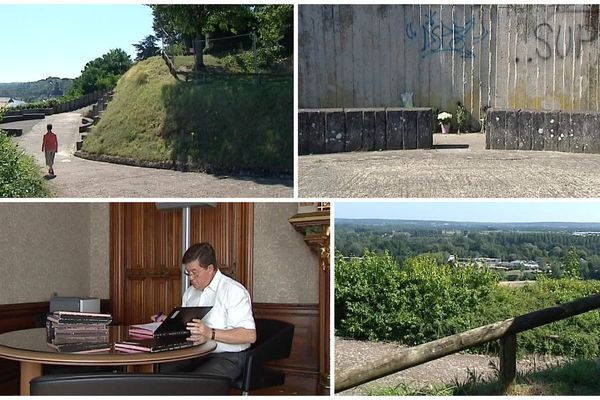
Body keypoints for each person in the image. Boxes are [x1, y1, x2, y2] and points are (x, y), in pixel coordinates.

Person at [153, 242, 256, 380]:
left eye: (195, 273)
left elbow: (249, 335)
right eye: (188, 273)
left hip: (228, 357)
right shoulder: (190, 293)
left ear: (210, 269)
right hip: (195, 353)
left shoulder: (233, 291)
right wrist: (171, 322)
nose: (190, 278)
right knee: (160, 374)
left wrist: (210, 333)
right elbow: (187, 327)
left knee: (196, 384)